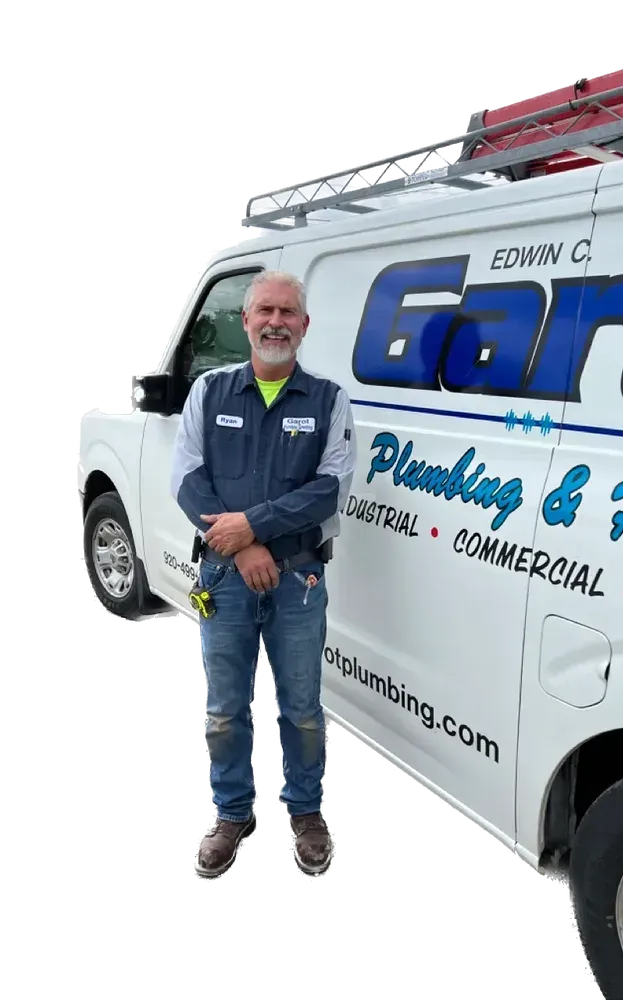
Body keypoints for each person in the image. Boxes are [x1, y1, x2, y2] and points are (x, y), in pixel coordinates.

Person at [171, 270, 357, 880]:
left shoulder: (328, 399)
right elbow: (188, 480)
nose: (276, 321)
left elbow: (329, 489)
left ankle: (305, 811)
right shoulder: (209, 391)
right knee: (224, 706)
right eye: (265, 311)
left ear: (305, 326)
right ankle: (230, 812)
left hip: (300, 579)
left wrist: (253, 528)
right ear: (246, 321)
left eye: (288, 312)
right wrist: (243, 547)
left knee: (302, 706)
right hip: (223, 577)